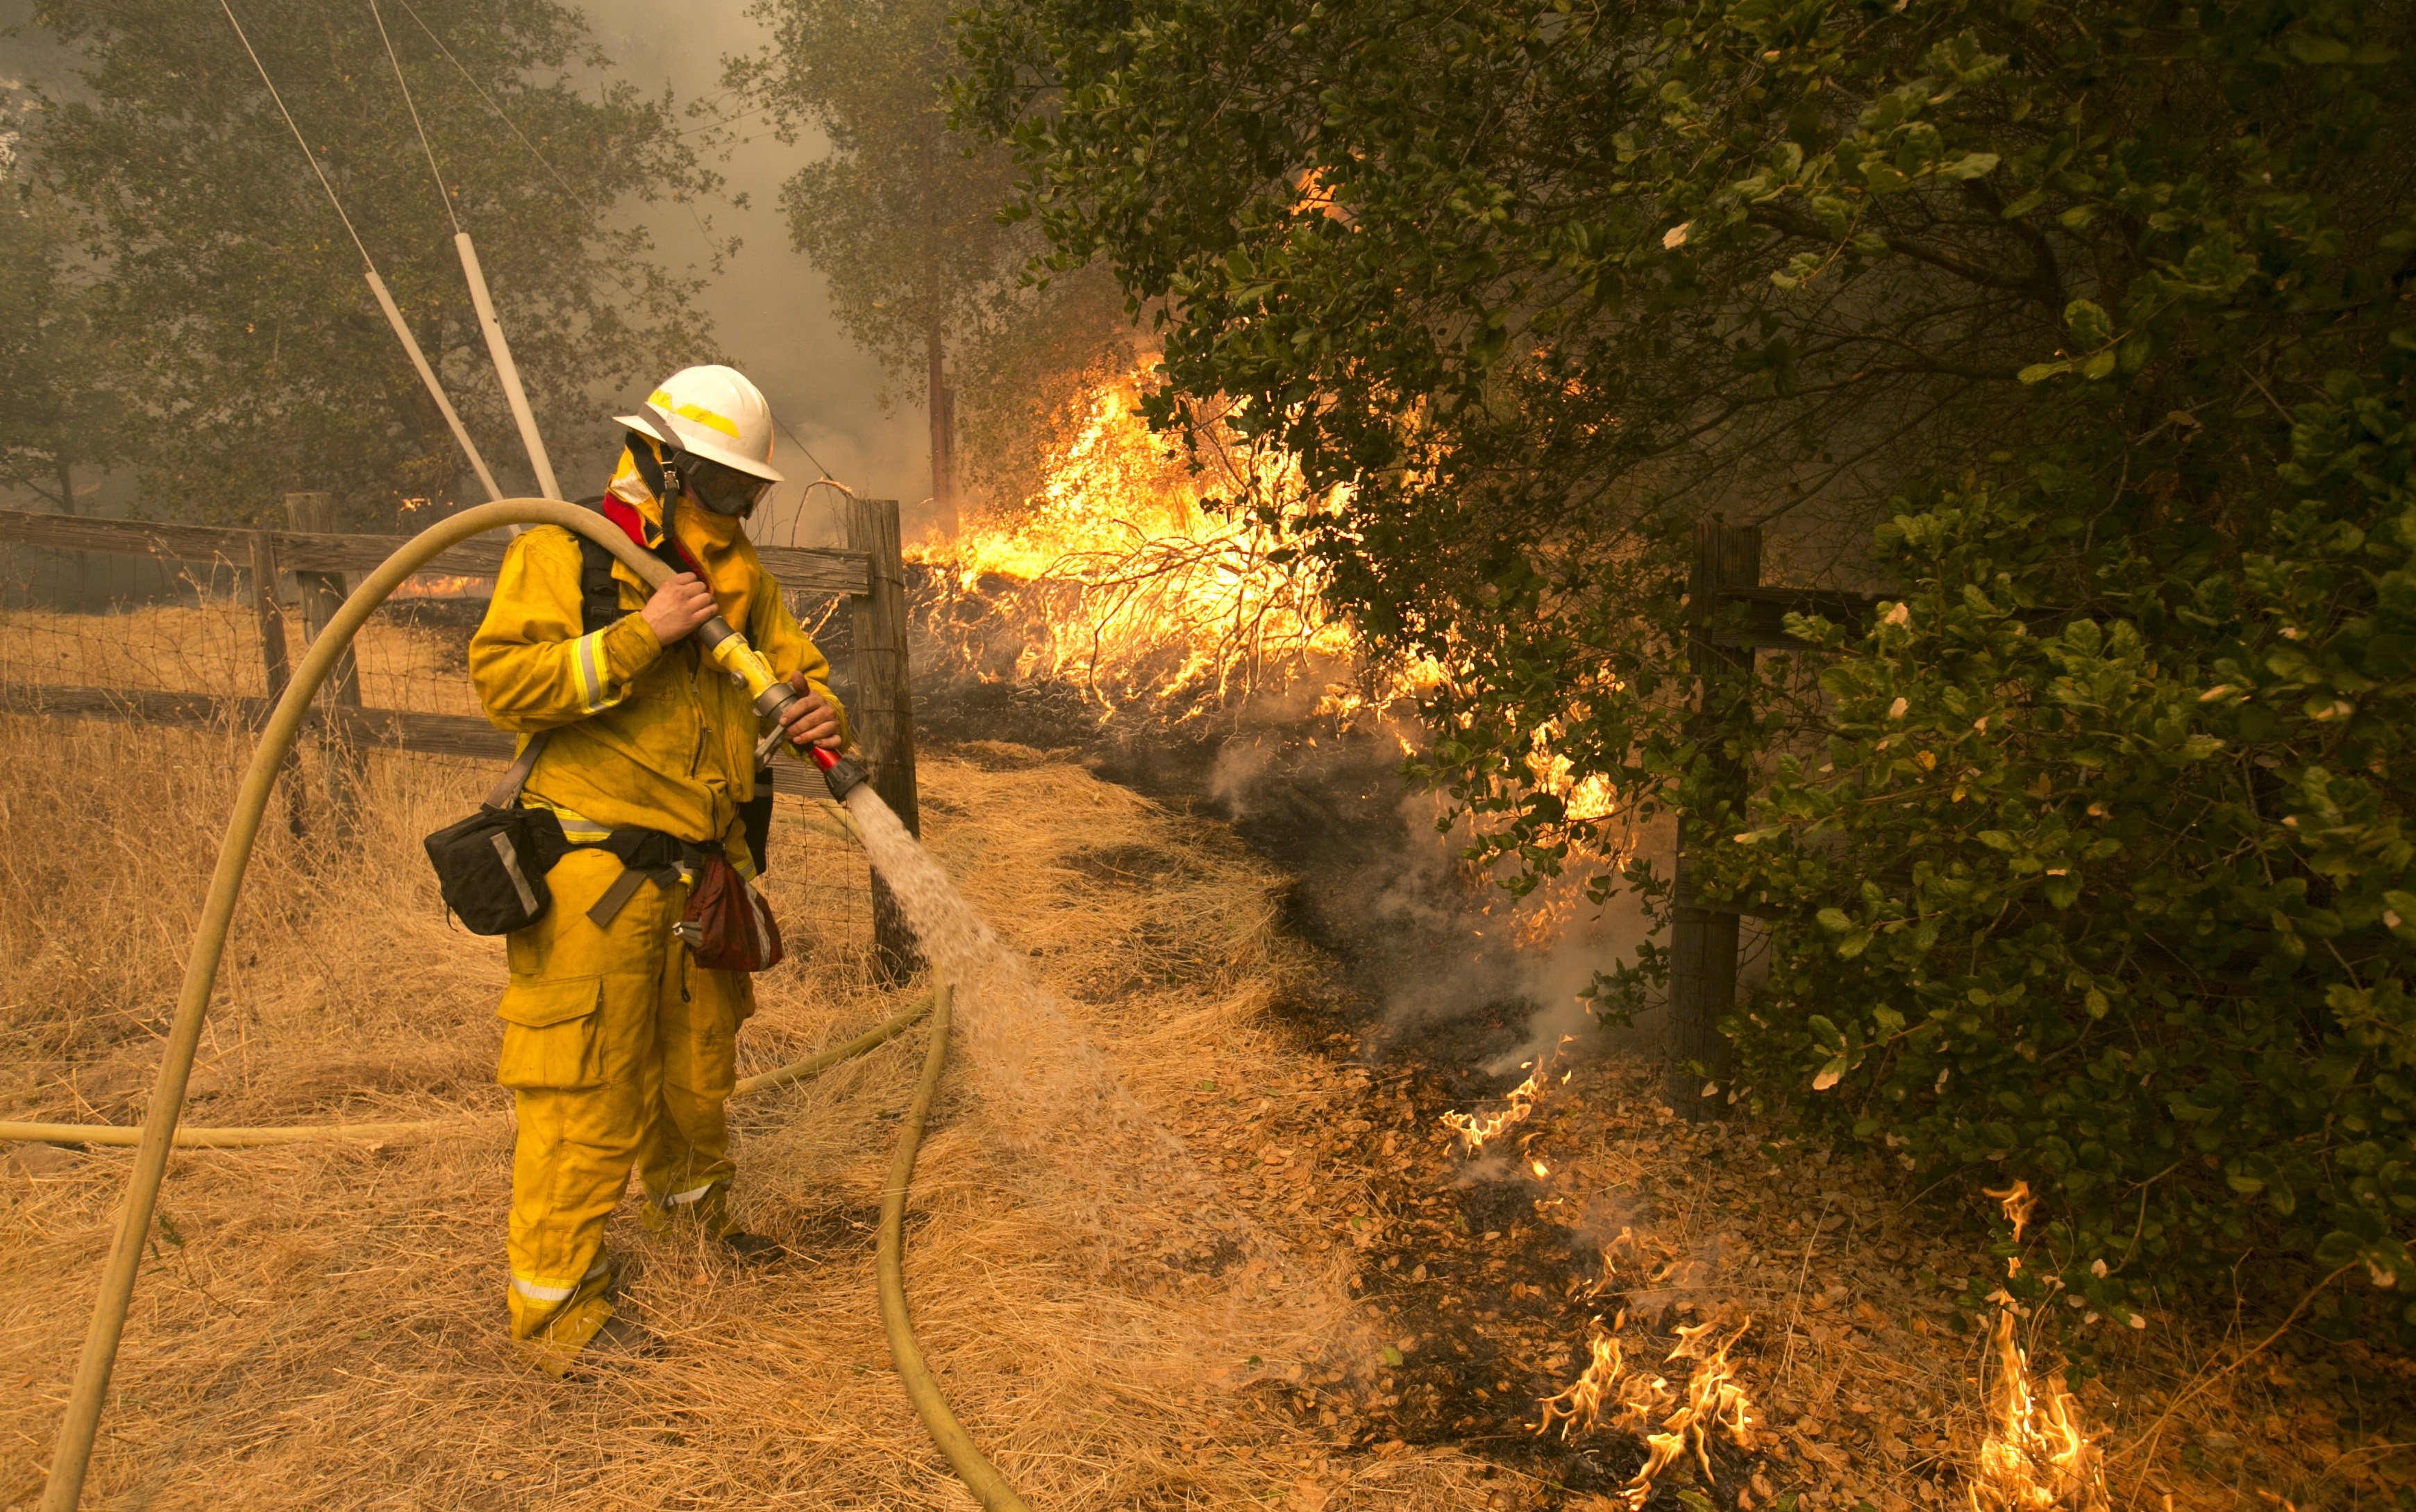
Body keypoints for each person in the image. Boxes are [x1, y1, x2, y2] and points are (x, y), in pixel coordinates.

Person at [467, 364, 846, 1375]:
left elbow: (795, 666)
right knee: (584, 1093)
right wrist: (642, 635)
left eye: (748, 492)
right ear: (663, 466)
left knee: (694, 1080)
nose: (737, 509)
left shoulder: (742, 578)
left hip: (702, 872)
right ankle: (559, 1321)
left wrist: (815, 709)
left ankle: (695, 1239)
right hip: (596, 873)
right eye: (721, 488)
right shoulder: (568, 548)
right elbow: (504, 680)